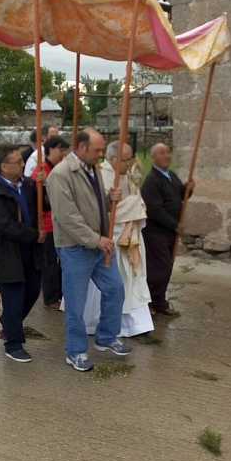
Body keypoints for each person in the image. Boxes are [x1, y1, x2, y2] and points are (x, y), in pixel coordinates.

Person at [46, 128, 132, 372]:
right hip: (75, 248)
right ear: (82, 148)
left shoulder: (91, 168)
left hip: (98, 244)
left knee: (115, 288)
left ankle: (106, 337)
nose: (101, 154)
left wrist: (109, 197)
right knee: (76, 303)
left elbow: (91, 202)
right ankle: (75, 351)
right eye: (97, 150)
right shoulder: (60, 174)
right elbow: (67, 216)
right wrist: (96, 240)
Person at [0, 143, 47, 363]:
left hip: (29, 253)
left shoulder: (28, 185)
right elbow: (4, 225)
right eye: (18, 162)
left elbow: (43, 206)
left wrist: (43, 187)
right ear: (4, 166)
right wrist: (34, 235)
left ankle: (10, 324)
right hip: (6, 255)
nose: (22, 164)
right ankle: (13, 342)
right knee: (13, 298)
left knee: (32, 292)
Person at [82, 141, 153, 337]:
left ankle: (136, 324)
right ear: (111, 158)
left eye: (130, 159)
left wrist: (133, 206)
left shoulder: (128, 175)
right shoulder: (99, 175)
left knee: (133, 278)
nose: (128, 164)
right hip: (111, 236)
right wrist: (132, 205)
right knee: (113, 280)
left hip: (131, 234)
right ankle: (97, 322)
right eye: (124, 160)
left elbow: (138, 200)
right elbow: (103, 209)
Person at [140, 143, 194, 316]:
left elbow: (179, 195)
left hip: (169, 233)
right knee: (159, 268)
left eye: (168, 152)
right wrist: (175, 224)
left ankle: (160, 302)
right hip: (156, 232)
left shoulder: (171, 176)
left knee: (167, 267)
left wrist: (188, 189)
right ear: (154, 158)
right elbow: (154, 210)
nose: (167, 156)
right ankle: (148, 303)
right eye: (162, 153)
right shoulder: (152, 181)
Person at [30, 135, 69, 310]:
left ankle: (60, 292)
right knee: (50, 263)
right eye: (60, 150)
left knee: (62, 262)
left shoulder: (61, 169)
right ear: (50, 150)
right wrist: (43, 183)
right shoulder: (40, 170)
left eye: (64, 151)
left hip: (62, 221)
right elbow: (34, 197)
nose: (63, 154)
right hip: (47, 222)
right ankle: (51, 296)